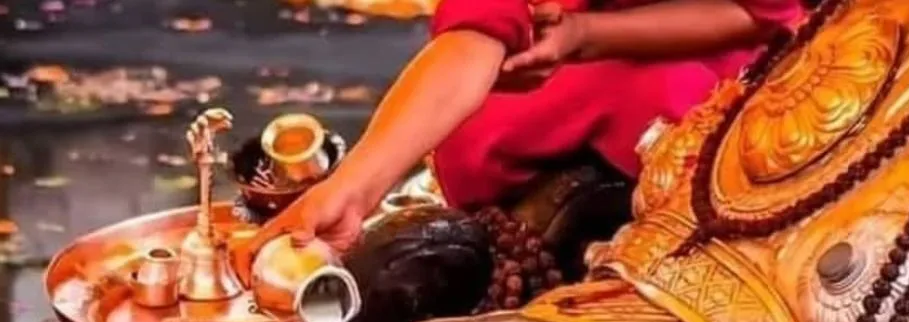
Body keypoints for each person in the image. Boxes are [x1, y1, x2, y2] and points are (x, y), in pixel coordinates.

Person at [234, 0, 805, 280]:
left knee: (670, 102)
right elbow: (481, 31)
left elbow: (761, 13)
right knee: (470, 135)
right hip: (565, 55)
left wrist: (590, 35)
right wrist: (354, 189)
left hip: (721, 74)